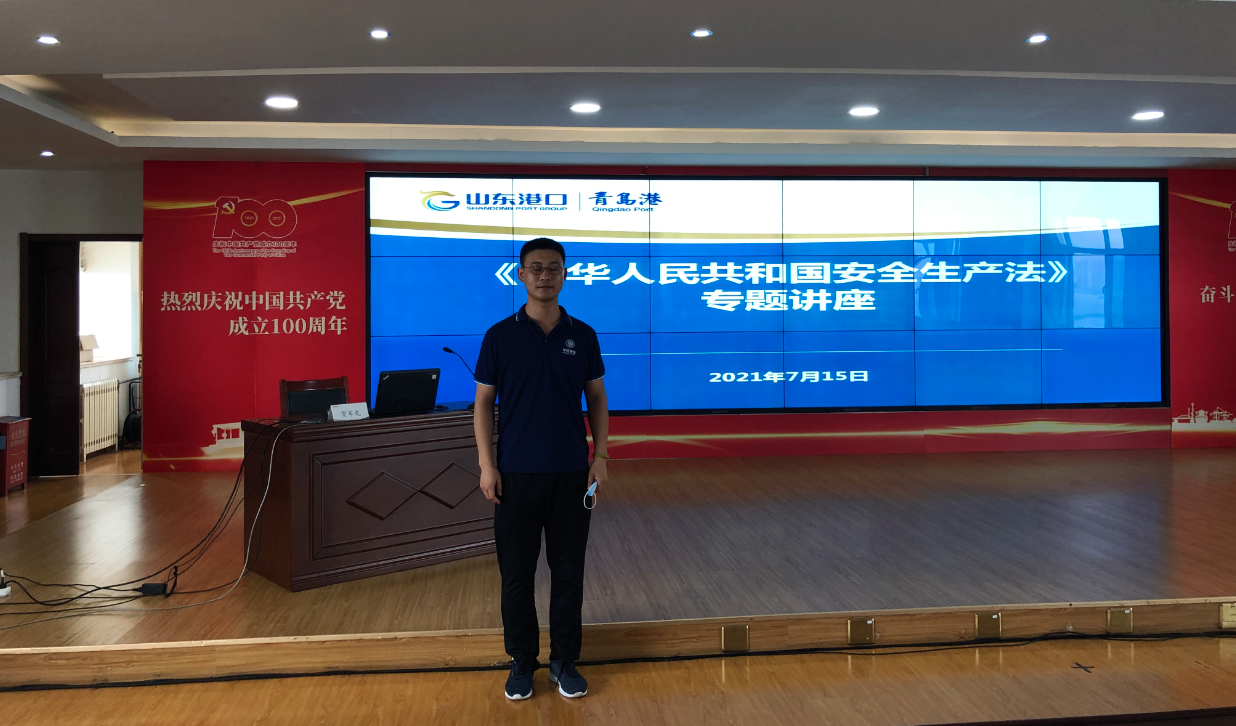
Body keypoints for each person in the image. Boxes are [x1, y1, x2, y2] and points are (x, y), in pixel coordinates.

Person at [473, 237, 609, 700]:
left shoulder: (583, 335)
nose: (545, 275)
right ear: (521, 275)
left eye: (553, 268)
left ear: (565, 274)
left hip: (572, 473)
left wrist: (600, 456)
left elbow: (597, 399)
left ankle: (564, 661)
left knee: (568, 573)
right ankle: (521, 661)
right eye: (536, 268)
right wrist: (487, 465)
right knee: (516, 575)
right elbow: (483, 403)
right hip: (514, 475)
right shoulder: (499, 336)